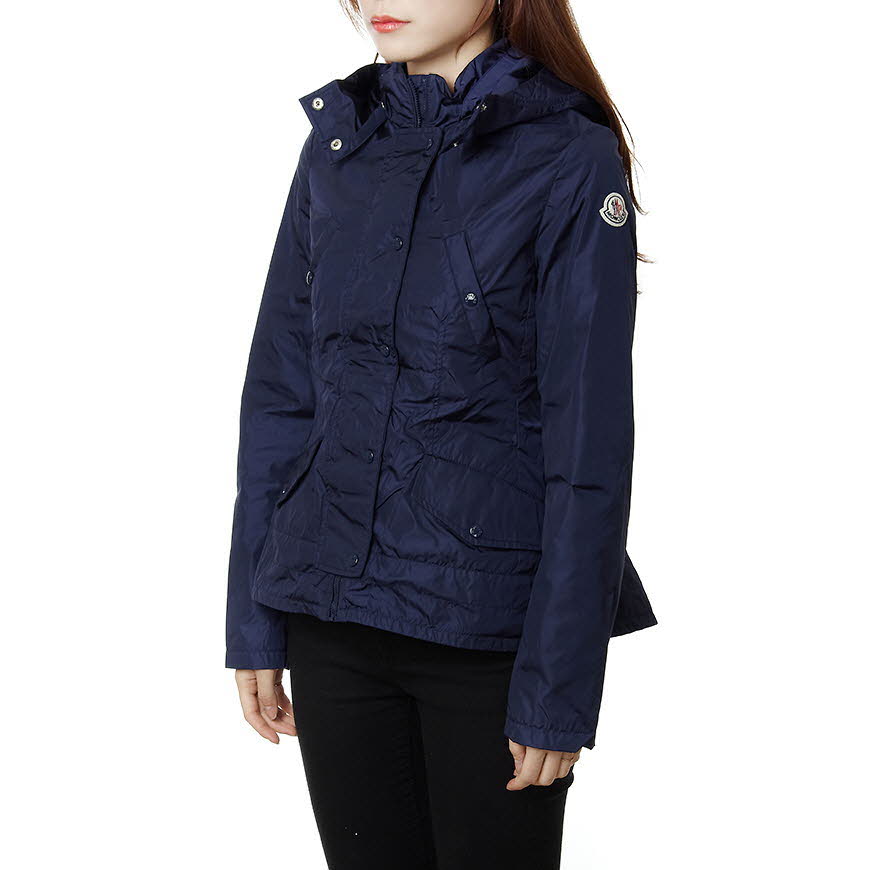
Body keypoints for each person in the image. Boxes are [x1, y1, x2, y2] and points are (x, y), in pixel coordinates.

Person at [225, 1, 657, 867]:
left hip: (487, 635)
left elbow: (590, 445)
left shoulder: (567, 156)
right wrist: (254, 618)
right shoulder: (341, 145)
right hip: (331, 619)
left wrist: (559, 688)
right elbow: (282, 394)